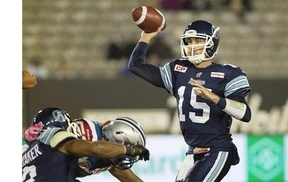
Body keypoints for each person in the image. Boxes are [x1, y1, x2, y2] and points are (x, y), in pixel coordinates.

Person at [128, 20, 252, 182]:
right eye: (189, 41)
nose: (192, 45)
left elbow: (245, 113)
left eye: (198, 41)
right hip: (193, 152)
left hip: (217, 150)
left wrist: (214, 98)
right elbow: (136, 66)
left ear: (211, 43)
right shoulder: (178, 70)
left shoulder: (228, 74)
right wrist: (145, 38)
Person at [22, 107, 149, 182]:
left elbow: (113, 165)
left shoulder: (31, 151)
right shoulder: (68, 139)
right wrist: (128, 150)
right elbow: (94, 149)